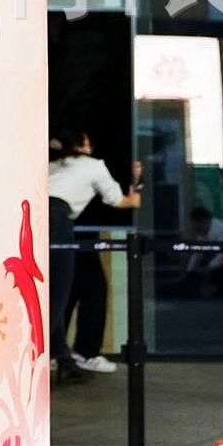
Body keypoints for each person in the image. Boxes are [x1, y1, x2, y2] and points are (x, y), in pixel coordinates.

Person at [46, 130, 142, 375]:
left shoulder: (54, 164)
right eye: (89, 144)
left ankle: (58, 354)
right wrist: (138, 182)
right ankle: (53, 353)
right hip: (59, 219)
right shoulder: (94, 165)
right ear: (82, 146)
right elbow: (121, 201)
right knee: (60, 291)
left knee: (52, 289)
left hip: (36, 215)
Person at [168, 205, 223, 298]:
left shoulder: (222, 230)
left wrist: (209, 268)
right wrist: (190, 271)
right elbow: (198, 252)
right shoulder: (203, 231)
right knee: (210, 267)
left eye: (197, 225)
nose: (196, 229)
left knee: (220, 265)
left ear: (205, 221)